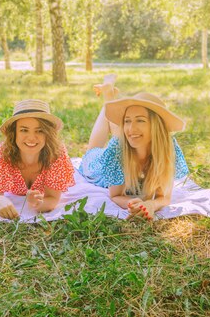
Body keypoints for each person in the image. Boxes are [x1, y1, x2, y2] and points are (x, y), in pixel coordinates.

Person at [79, 76, 189, 221]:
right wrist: (131, 203)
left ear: (156, 126)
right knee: (93, 150)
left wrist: (150, 204)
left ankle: (109, 94)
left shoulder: (168, 148)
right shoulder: (116, 150)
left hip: (124, 147)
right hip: (97, 166)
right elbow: (115, 195)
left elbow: (164, 198)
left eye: (140, 120)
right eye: (127, 121)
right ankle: (108, 96)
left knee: (125, 135)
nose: (131, 128)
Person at [0, 99, 75, 219]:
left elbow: (52, 199)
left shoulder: (56, 154)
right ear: (14, 133)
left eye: (39, 130)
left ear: (48, 134)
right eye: (24, 130)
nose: (31, 138)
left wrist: (38, 204)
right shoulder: (2, 155)